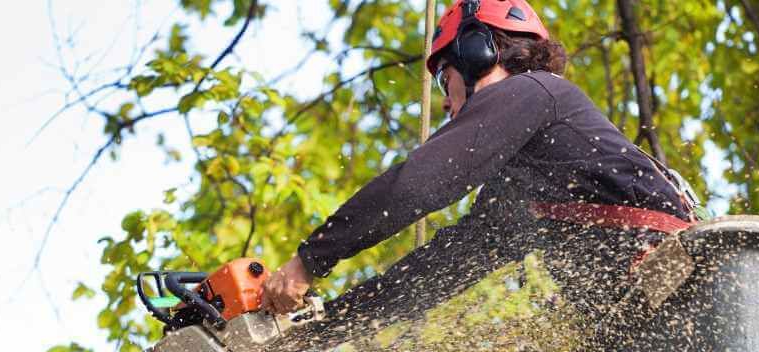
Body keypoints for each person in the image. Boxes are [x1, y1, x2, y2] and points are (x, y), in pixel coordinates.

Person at [260, 0, 698, 324]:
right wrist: (323, 326)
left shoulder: (535, 92)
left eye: (442, 77)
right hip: (649, 314)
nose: (448, 103)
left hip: (674, 279)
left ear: (477, 51)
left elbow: (416, 185)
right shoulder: (525, 182)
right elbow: (439, 270)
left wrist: (308, 261)